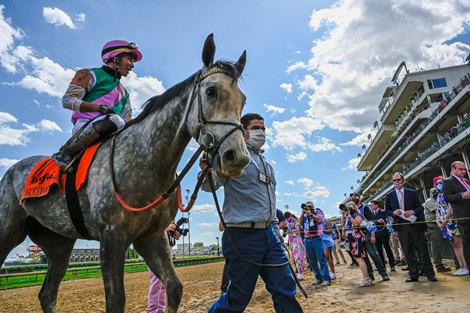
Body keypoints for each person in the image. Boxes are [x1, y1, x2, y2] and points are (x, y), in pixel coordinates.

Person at [201, 113, 303, 313]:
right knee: (238, 296)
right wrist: (206, 170)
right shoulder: (232, 155)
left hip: (269, 234)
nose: (262, 132)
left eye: (263, 129)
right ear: (243, 131)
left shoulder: (266, 163)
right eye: (256, 128)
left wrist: (276, 231)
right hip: (241, 235)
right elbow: (209, 185)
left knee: (285, 288)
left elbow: (270, 203)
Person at [52, 40, 142, 170]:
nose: (132, 65)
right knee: (115, 120)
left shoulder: (125, 94)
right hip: (85, 127)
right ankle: (66, 152)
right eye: (129, 59)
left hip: (113, 133)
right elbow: (67, 100)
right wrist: (98, 108)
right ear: (116, 58)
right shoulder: (89, 74)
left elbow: (126, 122)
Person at [384, 172, 437, 282]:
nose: (396, 182)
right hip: (401, 226)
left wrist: (412, 212)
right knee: (407, 251)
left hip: (414, 224)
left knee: (422, 250)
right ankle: (413, 274)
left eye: (398, 180)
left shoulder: (411, 193)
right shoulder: (389, 196)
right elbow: (387, 211)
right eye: (394, 181)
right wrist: (394, 212)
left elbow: (419, 208)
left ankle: (430, 274)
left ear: (403, 181)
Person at [350, 192, 389, 281]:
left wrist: (372, 235)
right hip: (357, 236)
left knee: (373, 254)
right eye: (352, 197)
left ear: (359, 197)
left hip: (366, 233)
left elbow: (371, 222)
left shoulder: (365, 207)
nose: (354, 198)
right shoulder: (351, 210)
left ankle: (383, 273)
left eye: (355, 196)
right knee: (363, 256)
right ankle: (370, 275)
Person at [435, 174, 468, 276]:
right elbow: (438, 210)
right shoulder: (439, 196)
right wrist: (438, 221)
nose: (440, 184)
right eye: (437, 183)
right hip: (444, 224)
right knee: (454, 244)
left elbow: (451, 208)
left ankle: (466, 266)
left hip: (452, 221)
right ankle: (462, 266)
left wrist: (444, 221)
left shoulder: (448, 193)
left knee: (459, 243)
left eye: (441, 182)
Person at [443, 161, 470, 278]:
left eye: (464, 169)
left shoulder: (466, 181)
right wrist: (463, 195)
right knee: (468, 245)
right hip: (463, 218)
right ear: (453, 170)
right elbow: (447, 197)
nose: (463, 171)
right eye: (460, 169)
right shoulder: (448, 181)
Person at [147, 222, 180, 313]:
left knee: (164, 282)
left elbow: (175, 237)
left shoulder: (170, 214)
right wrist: (165, 228)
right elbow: (147, 229)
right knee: (156, 281)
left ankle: (159, 309)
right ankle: (152, 310)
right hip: (155, 247)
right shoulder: (154, 210)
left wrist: (176, 234)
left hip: (167, 247)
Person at [299, 201, 331, 286]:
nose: (308, 208)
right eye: (307, 207)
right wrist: (303, 213)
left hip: (317, 238)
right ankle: (318, 278)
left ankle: (326, 279)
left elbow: (320, 221)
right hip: (307, 239)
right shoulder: (304, 215)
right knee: (312, 261)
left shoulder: (318, 212)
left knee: (321, 259)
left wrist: (311, 214)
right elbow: (299, 223)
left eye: (310, 207)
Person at [424, 185, 455, 272]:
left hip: (443, 224)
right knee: (436, 246)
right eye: (433, 192)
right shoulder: (429, 201)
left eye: (436, 192)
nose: (435, 194)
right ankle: (439, 265)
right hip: (434, 225)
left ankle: (458, 264)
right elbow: (439, 211)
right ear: (430, 194)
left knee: (451, 244)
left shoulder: (439, 199)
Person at [342, 201, 372, 287]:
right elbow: (345, 225)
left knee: (359, 258)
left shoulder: (357, 215)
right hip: (352, 239)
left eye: (348, 207)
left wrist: (350, 216)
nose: (347, 209)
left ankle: (367, 278)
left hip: (357, 238)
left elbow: (356, 223)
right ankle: (366, 277)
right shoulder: (348, 217)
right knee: (358, 258)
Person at [369, 200, 395, 272]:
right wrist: (377, 221)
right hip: (376, 234)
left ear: (376, 205)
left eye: (372, 205)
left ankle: (392, 265)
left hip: (383, 233)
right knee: (379, 251)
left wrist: (375, 222)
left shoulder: (382, 211)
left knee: (388, 249)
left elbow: (382, 221)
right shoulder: (371, 213)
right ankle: (383, 267)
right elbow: (371, 222)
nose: (371, 206)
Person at [283, 211, 309, 280]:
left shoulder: (295, 221)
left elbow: (297, 231)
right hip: (291, 242)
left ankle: (300, 273)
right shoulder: (287, 223)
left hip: (297, 241)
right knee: (295, 258)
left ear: (290, 216)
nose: (287, 219)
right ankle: (299, 273)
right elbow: (288, 231)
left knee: (298, 257)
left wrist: (290, 231)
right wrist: (285, 232)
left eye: (287, 218)